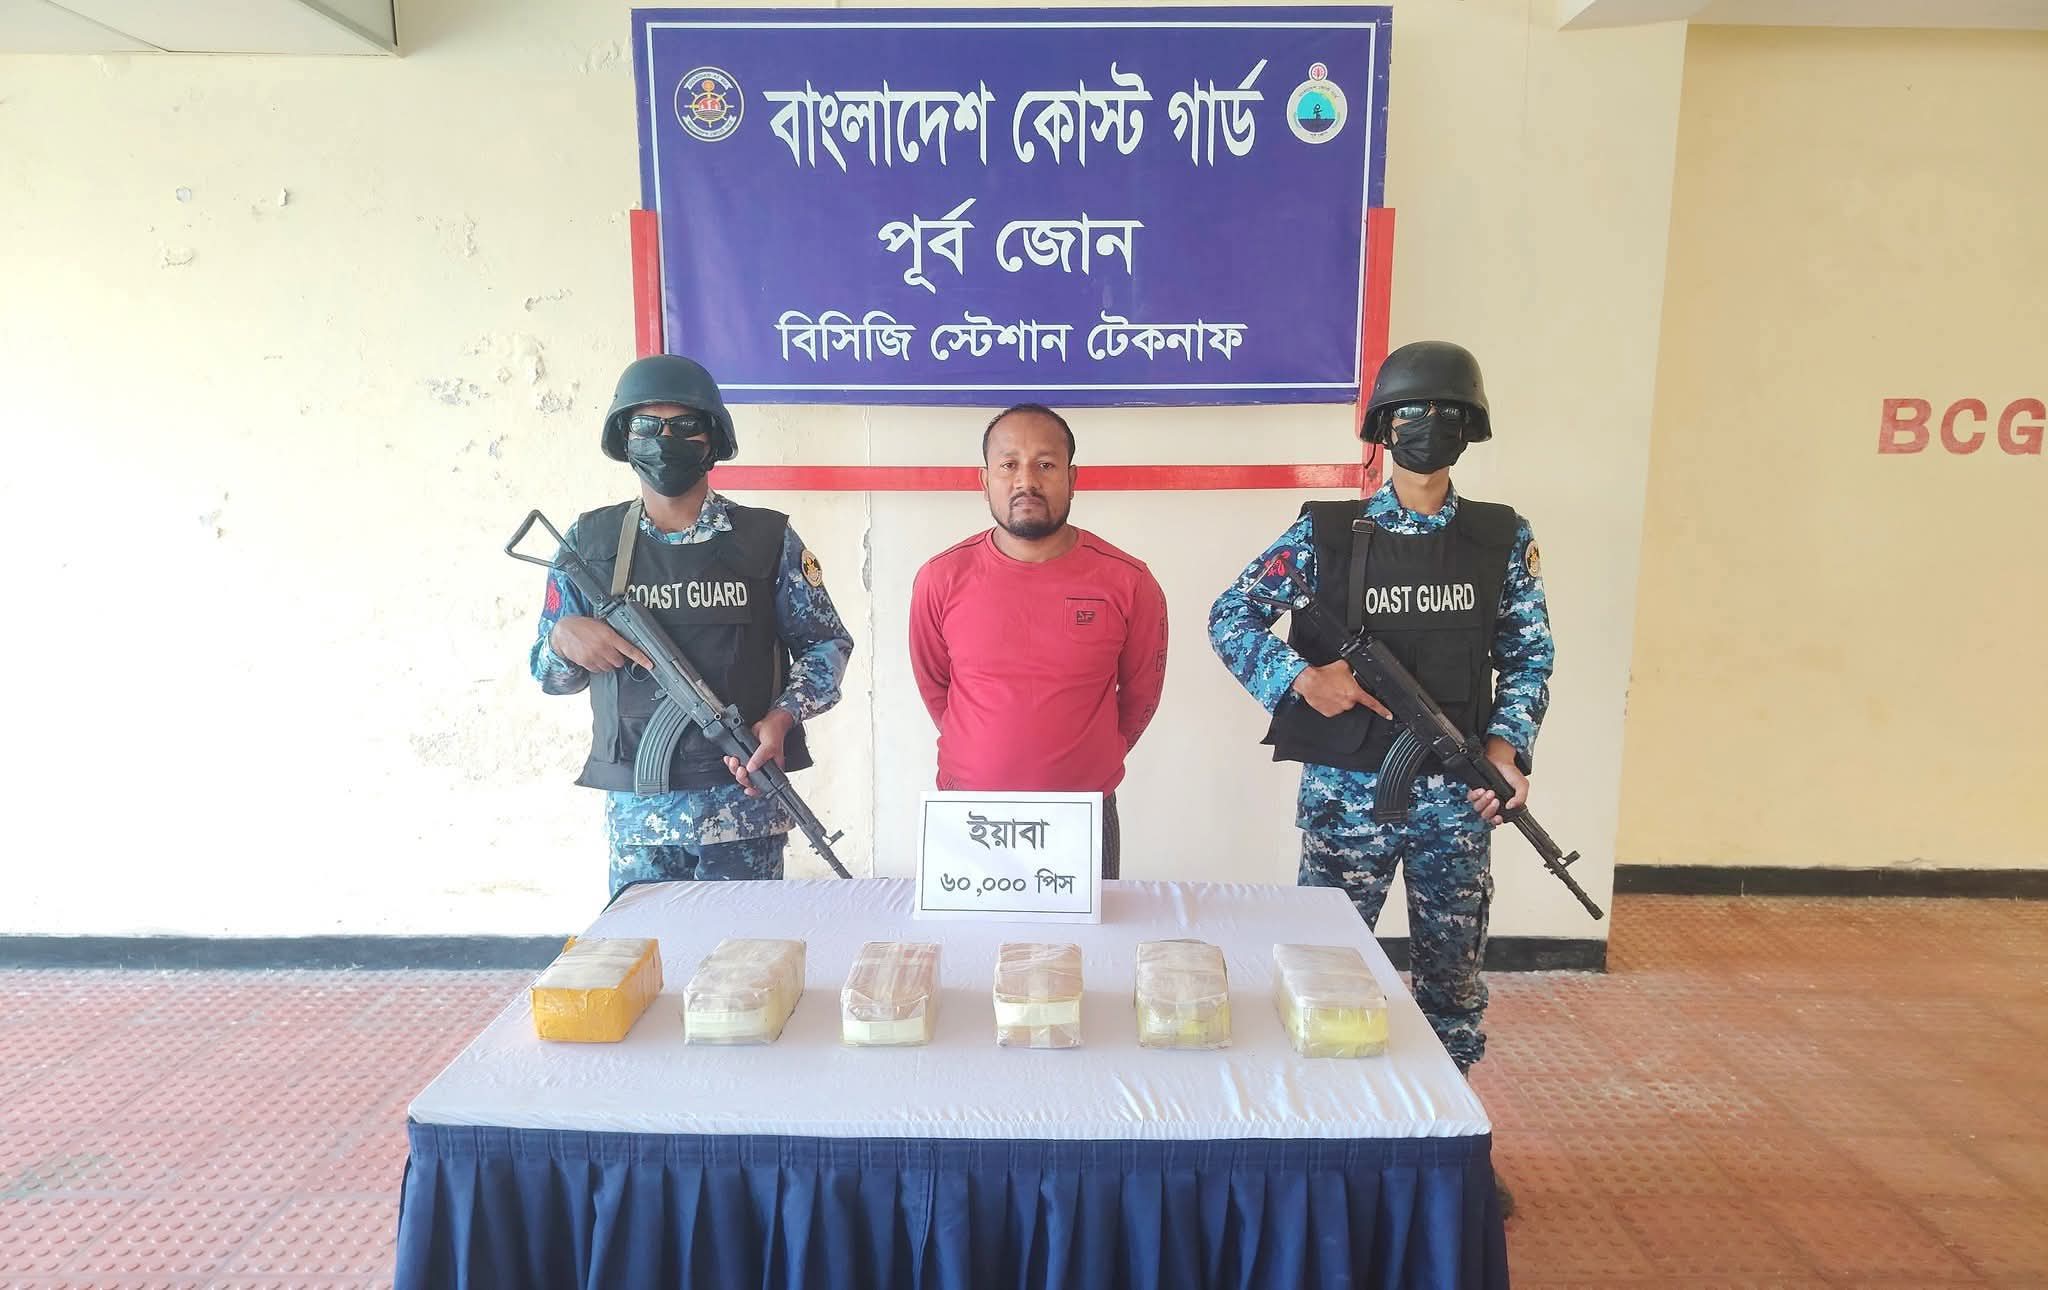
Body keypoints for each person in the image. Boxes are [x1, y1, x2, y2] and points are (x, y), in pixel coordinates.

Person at [1207, 340, 1554, 1076]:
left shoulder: (1501, 538)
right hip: (1346, 799)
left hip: (1459, 800)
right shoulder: (1326, 535)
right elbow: (1230, 616)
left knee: (1450, 992)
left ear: (1469, 427)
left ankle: (1447, 1123)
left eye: (1446, 412)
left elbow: (1529, 656)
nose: (1429, 424)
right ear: (1385, 427)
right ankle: (1321, 1118)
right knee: (1320, 976)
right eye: (1412, 412)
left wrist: (1505, 750)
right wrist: (1302, 679)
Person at [529, 353, 853, 898]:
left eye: (684, 427)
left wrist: (782, 716)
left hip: (744, 809)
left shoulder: (767, 540)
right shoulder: (588, 544)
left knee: (749, 952)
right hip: (640, 820)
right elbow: (547, 674)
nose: (664, 441)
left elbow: (826, 646)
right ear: (624, 438)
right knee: (643, 953)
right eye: (646, 426)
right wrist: (563, 640)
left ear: (712, 440)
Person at [908, 403, 1169, 877]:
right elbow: (935, 686)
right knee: (972, 930)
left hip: (1082, 816)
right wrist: (983, 753)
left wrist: (1089, 760)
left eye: (1045, 465)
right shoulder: (940, 578)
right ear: (984, 480)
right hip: (970, 815)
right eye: (1008, 465)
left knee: (1091, 930)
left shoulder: (1128, 582)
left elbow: (1141, 696)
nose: (1025, 481)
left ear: (1072, 478)